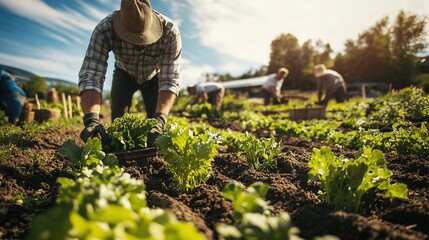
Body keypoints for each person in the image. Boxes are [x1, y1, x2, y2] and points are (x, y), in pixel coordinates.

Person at [78, 0, 182, 147]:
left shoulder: (169, 32)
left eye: (145, 37)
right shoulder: (104, 29)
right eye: (133, 38)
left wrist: (160, 119)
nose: (140, 44)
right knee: (118, 124)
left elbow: (170, 79)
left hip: (154, 77)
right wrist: (91, 119)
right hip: (124, 73)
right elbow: (91, 74)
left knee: (155, 124)